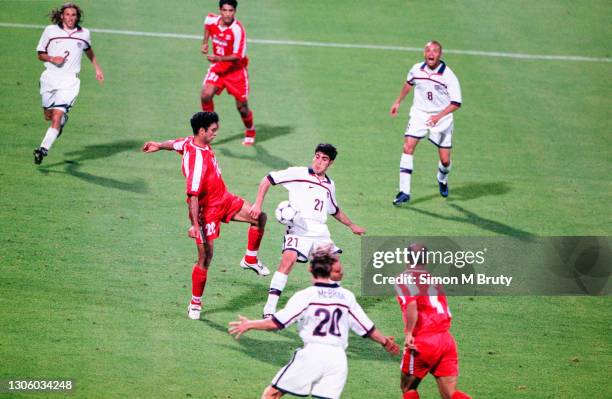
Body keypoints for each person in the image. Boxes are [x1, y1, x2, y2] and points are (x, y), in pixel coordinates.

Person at [142, 111, 269, 320]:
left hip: (224, 199)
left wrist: (157, 144)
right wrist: (194, 225)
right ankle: (195, 303)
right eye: (213, 130)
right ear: (202, 131)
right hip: (205, 212)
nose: (216, 134)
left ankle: (250, 258)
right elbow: (192, 196)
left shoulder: (191, 142)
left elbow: (174, 143)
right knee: (205, 257)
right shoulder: (197, 162)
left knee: (259, 217)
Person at [229, 245, 400, 399]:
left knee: (272, 394)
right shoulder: (346, 297)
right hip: (338, 359)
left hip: (313, 354)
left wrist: (250, 324)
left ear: (310, 269)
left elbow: (277, 323)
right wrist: (385, 342)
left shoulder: (306, 296)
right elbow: (367, 328)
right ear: (330, 271)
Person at [248, 143, 366, 317]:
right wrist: (258, 204)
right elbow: (268, 179)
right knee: (288, 260)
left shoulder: (329, 185)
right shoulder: (298, 173)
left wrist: (351, 225)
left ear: (330, 163)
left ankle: (334, 307)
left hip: (320, 232)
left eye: (324, 159)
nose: (318, 162)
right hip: (298, 229)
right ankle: (269, 308)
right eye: (317, 156)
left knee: (335, 271)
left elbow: (334, 209)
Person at [395, 243, 472, 399]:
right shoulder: (434, 280)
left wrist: (409, 332)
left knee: (407, 388)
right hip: (445, 340)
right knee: (450, 394)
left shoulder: (404, 278)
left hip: (423, 341)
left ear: (406, 258)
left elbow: (411, 304)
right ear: (427, 259)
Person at [390, 40, 462, 204]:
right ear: (424, 53)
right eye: (428, 50)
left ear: (440, 54)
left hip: (442, 118)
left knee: (445, 160)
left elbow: (456, 103)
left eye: (435, 51)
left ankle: (442, 178)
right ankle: (404, 191)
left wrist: (438, 116)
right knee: (407, 146)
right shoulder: (416, 69)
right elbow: (409, 84)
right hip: (420, 114)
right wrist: (398, 102)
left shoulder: (448, 76)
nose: (431, 53)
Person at [33, 2, 104, 165]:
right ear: (61, 16)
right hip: (49, 78)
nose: (70, 18)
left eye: (74, 15)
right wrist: (52, 58)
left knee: (56, 116)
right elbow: (40, 54)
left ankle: (43, 149)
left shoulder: (84, 33)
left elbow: (88, 50)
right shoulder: (50, 31)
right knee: (49, 116)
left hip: (69, 80)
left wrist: (97, 68)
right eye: (67, 14)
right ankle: (61, 121)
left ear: (77, 17)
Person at [200, 0, 256, 146]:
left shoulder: (238, 30)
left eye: (231, 11)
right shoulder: (212, 20)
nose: (227, 14)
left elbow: (238, 56)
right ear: (220, 10)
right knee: (205, 94)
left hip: (236, 72)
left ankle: (250, 129)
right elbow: (207, 25)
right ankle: (210, 127)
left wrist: (219, 57)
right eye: (225, 10)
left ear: (235, 12)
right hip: (218, 68)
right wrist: (205, 42)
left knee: (242, 108)